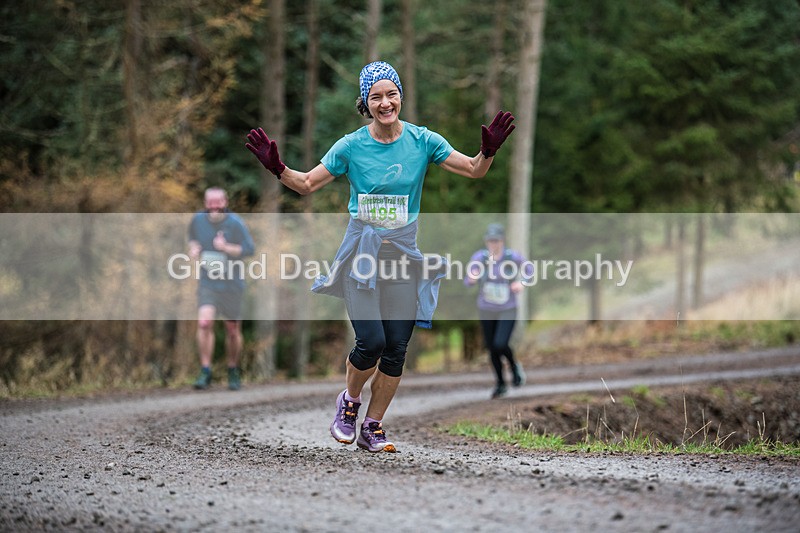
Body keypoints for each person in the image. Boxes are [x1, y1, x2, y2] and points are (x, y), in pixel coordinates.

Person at [246, 60, 515, 452]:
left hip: (403, 257)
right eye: (376, 97)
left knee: (396, 349)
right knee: (370, 340)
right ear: (365, 102)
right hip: (363, 256)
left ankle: (373, 426)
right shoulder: (351, 146)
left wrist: (487, 150)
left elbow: (474, 170)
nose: (385, 103)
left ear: (401, 96)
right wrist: (278, 168)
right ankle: (350, 404)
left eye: (392, 94)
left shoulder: (424, 141)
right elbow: (305, 184)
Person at [188, 187, 255, 391]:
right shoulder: (197, 220)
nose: (214, 206)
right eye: (210, 202)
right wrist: (193, 248)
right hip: (208, 281)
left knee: (232, 329)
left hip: (232, 283)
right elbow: (192, 239)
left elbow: (249, 249)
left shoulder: (235, 223)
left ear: (225, 202)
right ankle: (205, 370)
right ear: (205, 203)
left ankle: (233, 369)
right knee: (205, 322)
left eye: (218, 202)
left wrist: (226, 248)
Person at [465, 223, 528, 399]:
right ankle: (501, 383)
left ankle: (514, 366)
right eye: (490, 240)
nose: (493, 244)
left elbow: (529, 271)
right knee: (492, 348)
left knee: (501, 343)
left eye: (496, 240)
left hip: (508, 308)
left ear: (502, 241)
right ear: (486, 241)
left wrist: (521, 283)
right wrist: (472, 278)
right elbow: (469, 278)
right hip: (486, 309)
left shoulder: (511, 257)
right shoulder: (480, 258)